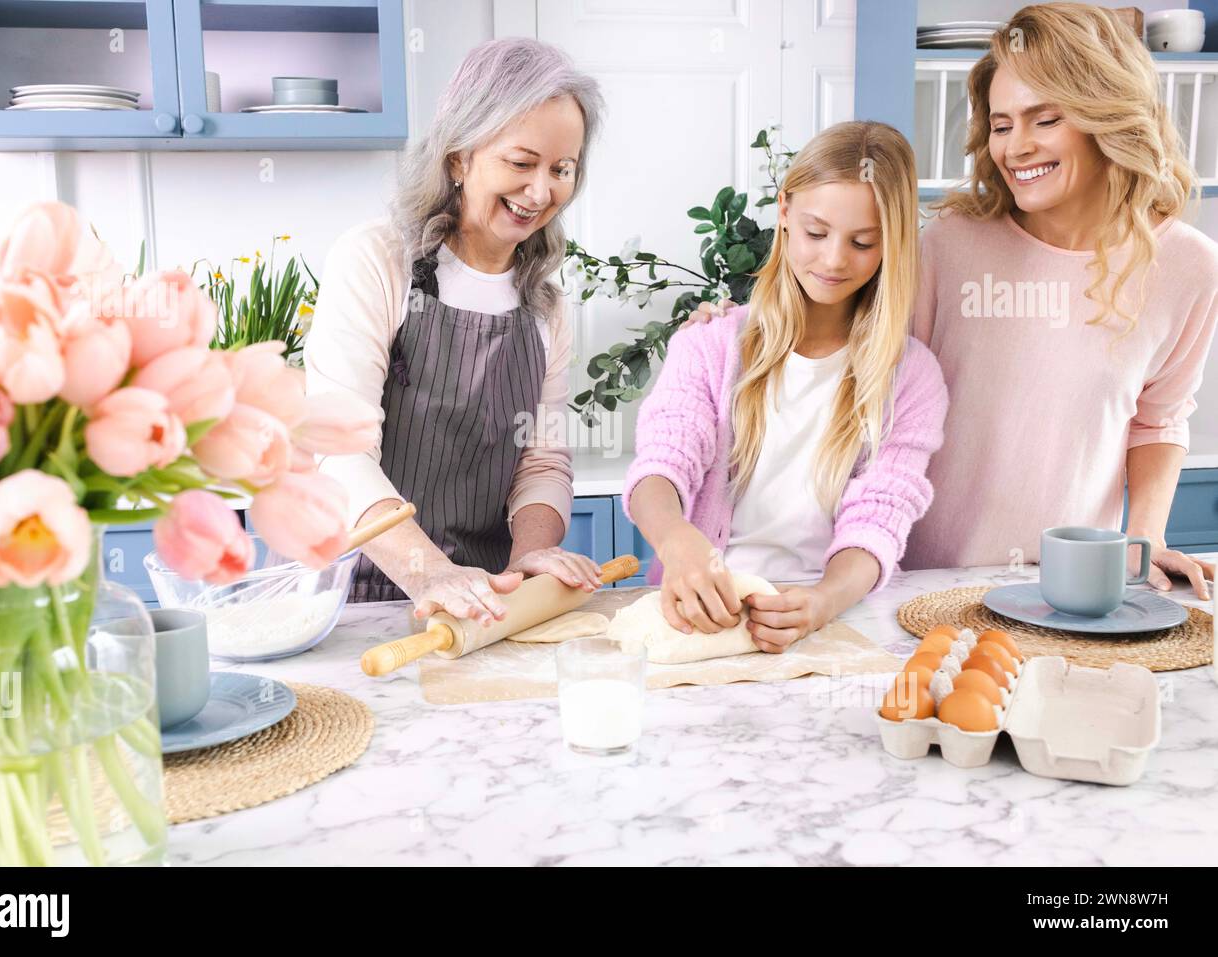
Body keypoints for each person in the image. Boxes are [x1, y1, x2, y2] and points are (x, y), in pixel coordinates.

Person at [904, 3, 1217, 601]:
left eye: (1044, 120)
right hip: (923, 584)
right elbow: (878, 399)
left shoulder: (1188, 267)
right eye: (1000, 125)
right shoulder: (947, 248)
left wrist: (1143, 539)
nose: (1015, 147)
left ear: (1107, 115)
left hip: (1073, 592)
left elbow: (1158, 419)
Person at [306, 39, 608, 624]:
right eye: (521, 163)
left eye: (561, 169)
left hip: (482, 601)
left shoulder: (544, 304)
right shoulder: (377, 261)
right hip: (348, 600)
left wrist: (531, 558)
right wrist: (429, 572)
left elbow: (541, 460)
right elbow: (338, 452)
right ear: (458, 158)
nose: (541, 192)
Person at [624, 121, 948, 650]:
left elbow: (880, 519)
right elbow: (662, 464)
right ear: (784, 213)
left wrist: (823, 602)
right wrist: (678, 541)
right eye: (816, 232)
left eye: (863, 242)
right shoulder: (711, 343)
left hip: (830, 619)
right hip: (701, 617)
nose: (834, 259)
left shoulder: (910, 377)